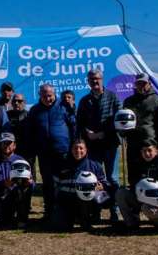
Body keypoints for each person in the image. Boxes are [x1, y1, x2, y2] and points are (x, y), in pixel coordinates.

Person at [76, 69, 122, 221]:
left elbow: (119, 119)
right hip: (92, 146)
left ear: (102, 79)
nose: (95, 81)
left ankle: (114, 211)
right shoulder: (84, 101)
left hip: (110, 144)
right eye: (91, 79)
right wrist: (87, 133)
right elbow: (80, 122)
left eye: (97, 79)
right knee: (94, 179)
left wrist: (104, 133)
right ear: (88, 81)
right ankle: (97, 209)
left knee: (112, 179)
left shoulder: (113, 97)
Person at [26, 83, 72, 221]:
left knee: (64, 182)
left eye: (50, 95)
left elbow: (73, 125)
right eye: (45, 96)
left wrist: (74, 145)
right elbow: (30, 131)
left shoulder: (63, 107)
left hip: (62, 151)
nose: (48, 98)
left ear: (54, 94)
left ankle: (65, 211)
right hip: (44, 153)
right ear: (40, 95)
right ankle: (49, 211)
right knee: (48, 183)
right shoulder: (34, 110)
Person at [116, 143, 158, 231]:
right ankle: (132, 223)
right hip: (141, 198)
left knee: (147, 208)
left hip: (157, 202)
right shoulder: (137, 164)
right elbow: (134, 183)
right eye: (144, 151)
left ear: (156, 151)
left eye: (149, 150)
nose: (147, 153)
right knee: (121, 193)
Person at [51, 139, 112, 231]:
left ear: (86, 150)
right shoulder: (62, 165)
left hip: (87, 202)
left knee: (91, 197)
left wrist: (101, 186)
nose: (78, 151)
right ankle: (68, 217)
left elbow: (105, 183)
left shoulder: (95, 165)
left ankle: (86, 220)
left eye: (81, 148)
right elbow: (54, 185)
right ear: (71, 150)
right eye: (75, 148)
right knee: (60, 227)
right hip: (66, 200)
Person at [122, 73, 158, 184]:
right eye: (139, 83)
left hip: (150, 147)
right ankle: (134, 200)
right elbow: (123, 123)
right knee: (134, 178)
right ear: (135, 84)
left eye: (144, 83)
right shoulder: (128, 101)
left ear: (149, 84)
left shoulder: (157, 101)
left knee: (151, 179)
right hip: (133, 146)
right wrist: (122, 132)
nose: (141, 86)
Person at [0, 132, 33, 229]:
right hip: (0, 195)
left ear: (14, 145)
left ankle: (22, 219)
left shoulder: (21, 161)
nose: (6, 146)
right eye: (4, 143)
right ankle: (2, 219)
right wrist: (3, 183)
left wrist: (30, 183)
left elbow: (31, 180)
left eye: (9, 143)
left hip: (17, 194)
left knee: (24, 190)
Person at [7, 93, 31, 171]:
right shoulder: (6, 115)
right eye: (14, 101)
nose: (16, 103)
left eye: (19, 101)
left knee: (29, 172)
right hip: (11, 150)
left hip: (27, 151)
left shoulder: (30, 115)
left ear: (24, 102)